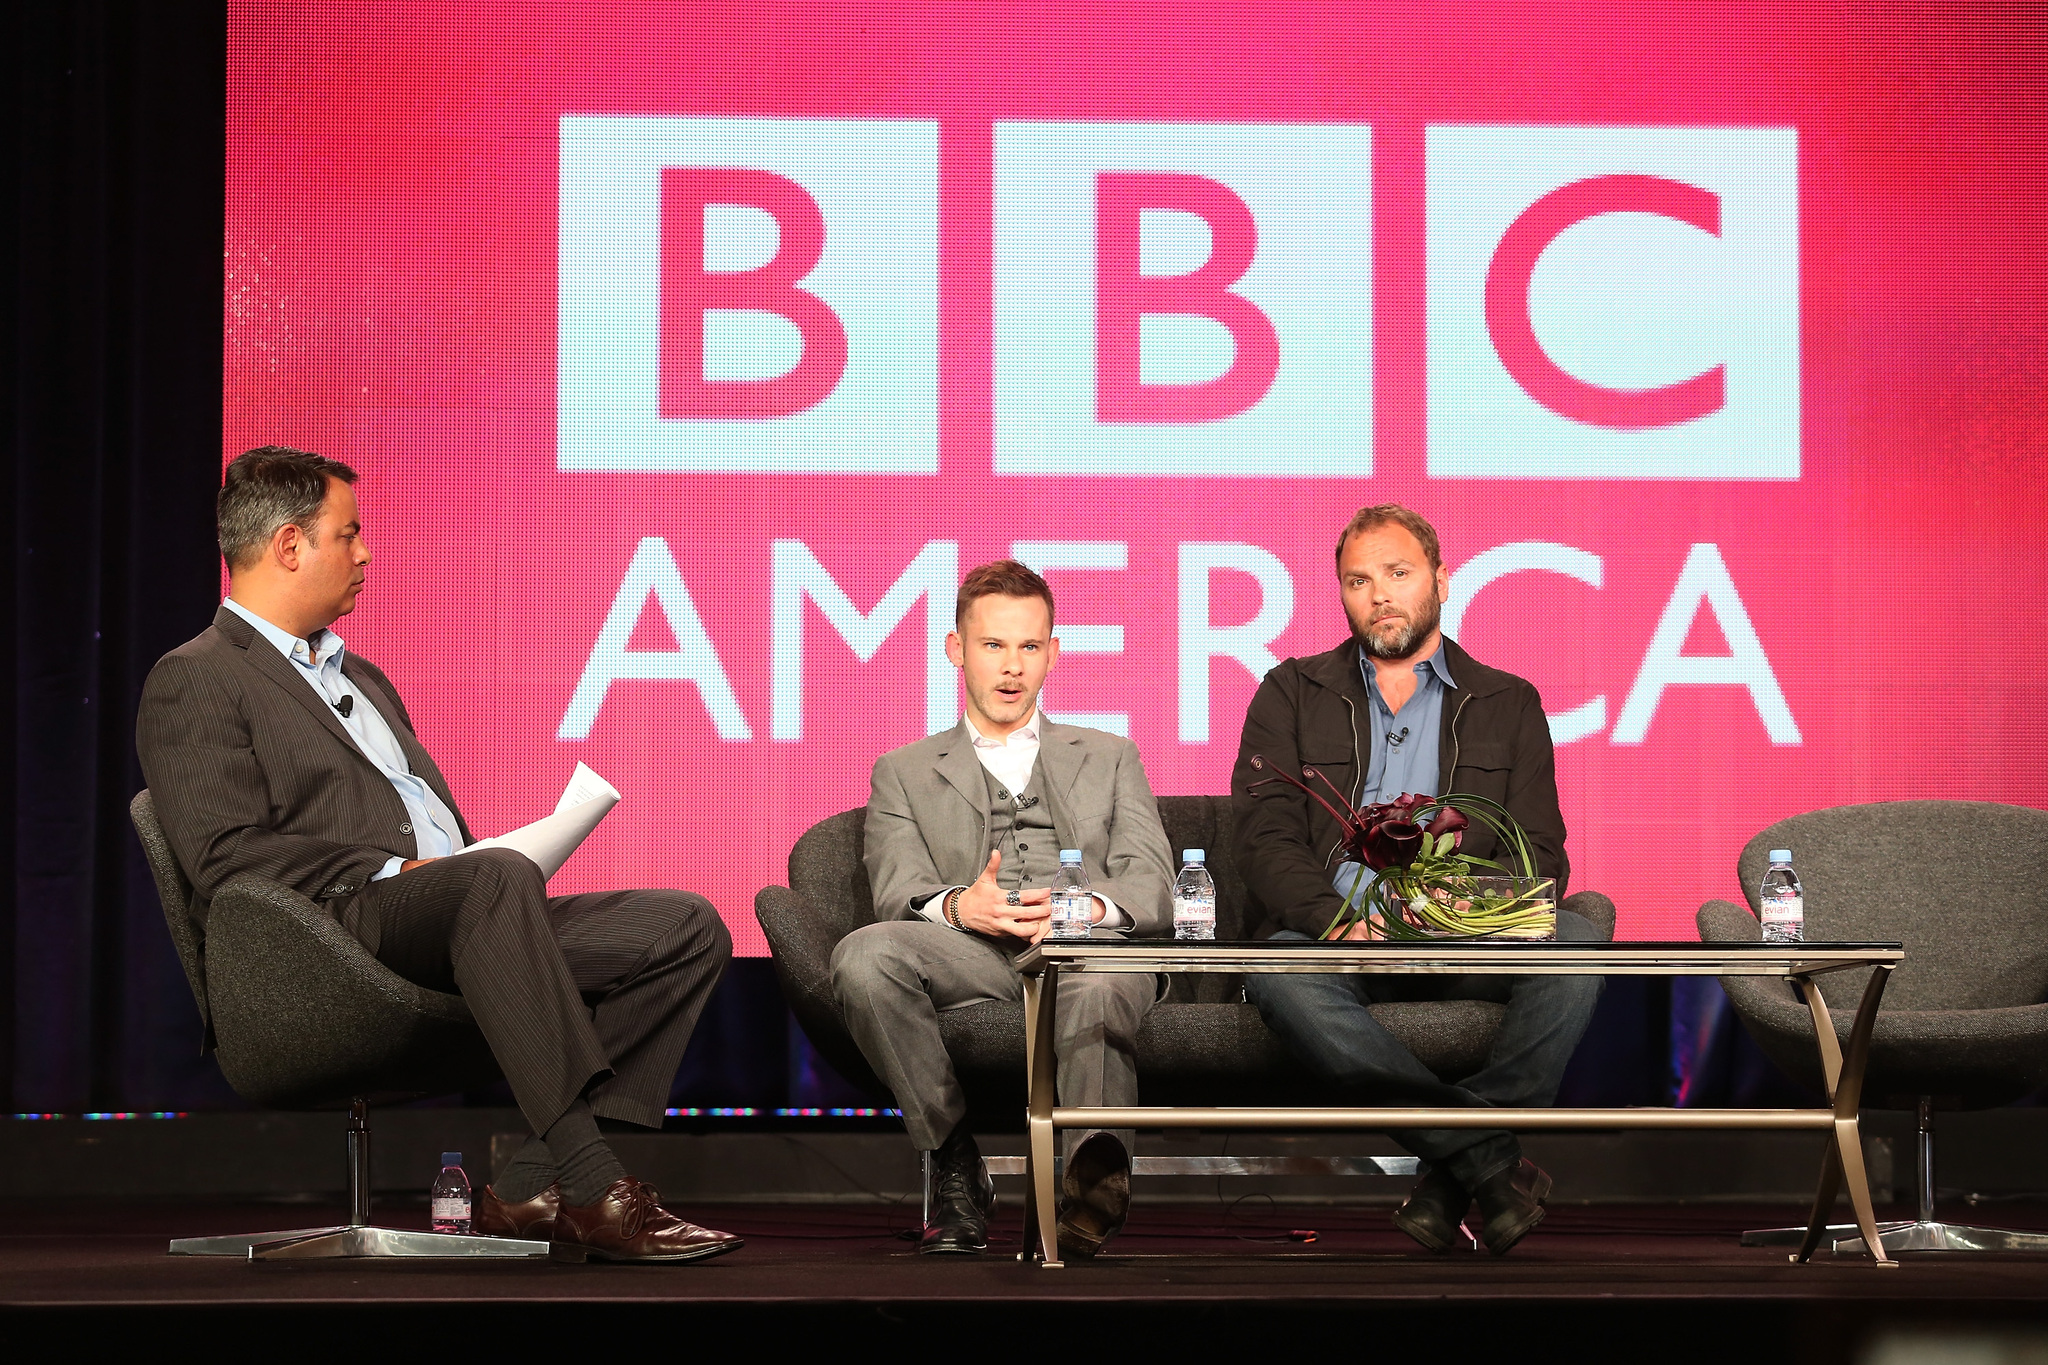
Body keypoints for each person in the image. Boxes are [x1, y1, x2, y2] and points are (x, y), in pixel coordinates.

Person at [137, 446, 740, 1264]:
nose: (366, 552)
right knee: (489, 881)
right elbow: (225, 857)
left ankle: (527, 1187)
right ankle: (597, 1187)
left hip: (451, 912)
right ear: (287, 545)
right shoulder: (196, 677)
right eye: (347, 534)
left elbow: (428, 830)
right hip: (330, 936)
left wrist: (481, 860)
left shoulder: (366, 676)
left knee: (684, 927)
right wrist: (402, 874)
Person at [1230, 504, 1602, 1256]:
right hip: (1339, 935)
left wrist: (1454, 909)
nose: (1380, 595)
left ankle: (1449, 1175)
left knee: (1582, 935)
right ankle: (1489, 1163)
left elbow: (1542, 852)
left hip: (1461, 935)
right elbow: (1263, 839)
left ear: (1439, 577)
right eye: (1359, 580)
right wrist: (1337, 919)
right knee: (1275, 965)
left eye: (1398, 574)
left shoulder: (1508, 701)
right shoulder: (1290, 691)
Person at [832, 560, 1173, 1258]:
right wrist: (962, 905)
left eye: (1028, 646)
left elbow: (1157, 884)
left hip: (1088, 951)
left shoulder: (1110, 755)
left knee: (1100, 985)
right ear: (956, 648)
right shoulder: (902, 768)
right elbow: (898, 886)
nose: (1012, 666)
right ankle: (953, 1158)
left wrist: (1087, 908)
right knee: (863, 956)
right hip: (976, 953)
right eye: (993, 645)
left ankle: (1084, 1190)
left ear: (1053, 652)